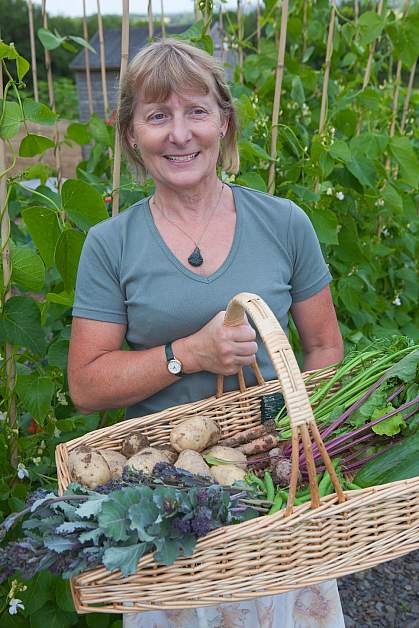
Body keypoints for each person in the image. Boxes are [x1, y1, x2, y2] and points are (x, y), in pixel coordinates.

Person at [68, 39, 345, 628]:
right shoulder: (110, 245)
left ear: (224, 120)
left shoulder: (284, 223)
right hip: (166, 504)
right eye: (157, 116)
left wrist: (299, 453)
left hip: (274, 498)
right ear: (131, 133)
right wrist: (187, 354)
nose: (179, 134)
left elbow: (323, 348)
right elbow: (86, 386)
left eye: (196, 111)